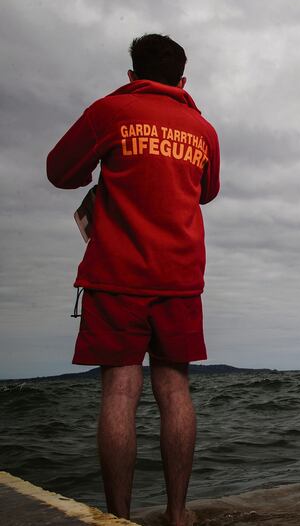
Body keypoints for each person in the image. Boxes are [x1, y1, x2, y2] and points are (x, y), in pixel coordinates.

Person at [47, 34, 220, 525]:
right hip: (180, 278)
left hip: (116, 275)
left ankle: (118, 518)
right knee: (175, 391)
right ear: (183, 80)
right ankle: (178, 514)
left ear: (132, 76)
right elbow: (207, 192)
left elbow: (59, 171)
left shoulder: (108, 112)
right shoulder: (202, 128)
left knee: (120, 392)